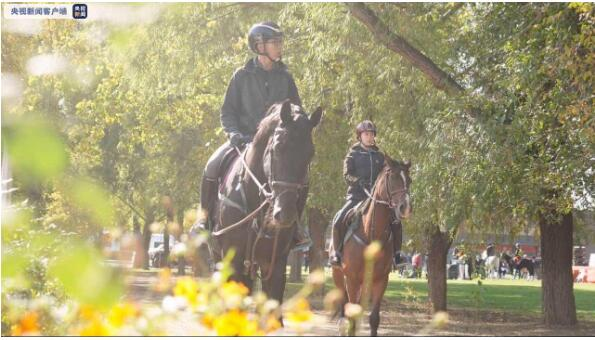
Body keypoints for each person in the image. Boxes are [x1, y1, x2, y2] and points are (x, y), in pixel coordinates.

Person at [193, 22, 310, 250]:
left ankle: (295, 225)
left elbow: (297, 110)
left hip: (276, 146)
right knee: (211, 165)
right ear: (259, 46)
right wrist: (233, 133)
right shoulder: (241, 76)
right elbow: (227, 111)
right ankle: (204, 220)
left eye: (280, 42)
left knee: (302, 177)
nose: (280, 47)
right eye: (275, 43)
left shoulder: (285, 77)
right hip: (243, 141)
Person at [328, 120, 403, 266]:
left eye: (372, 134)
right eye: (366, 134)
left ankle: (397, 255)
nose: (370, 137)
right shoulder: (353, 154)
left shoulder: (380, 156)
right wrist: (358, 181)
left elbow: (387, 173)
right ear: (360, 136)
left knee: (396, 220)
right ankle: (337, 254)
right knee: (338, 220)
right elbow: (347, 174)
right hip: (357, 196)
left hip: (377, 199)